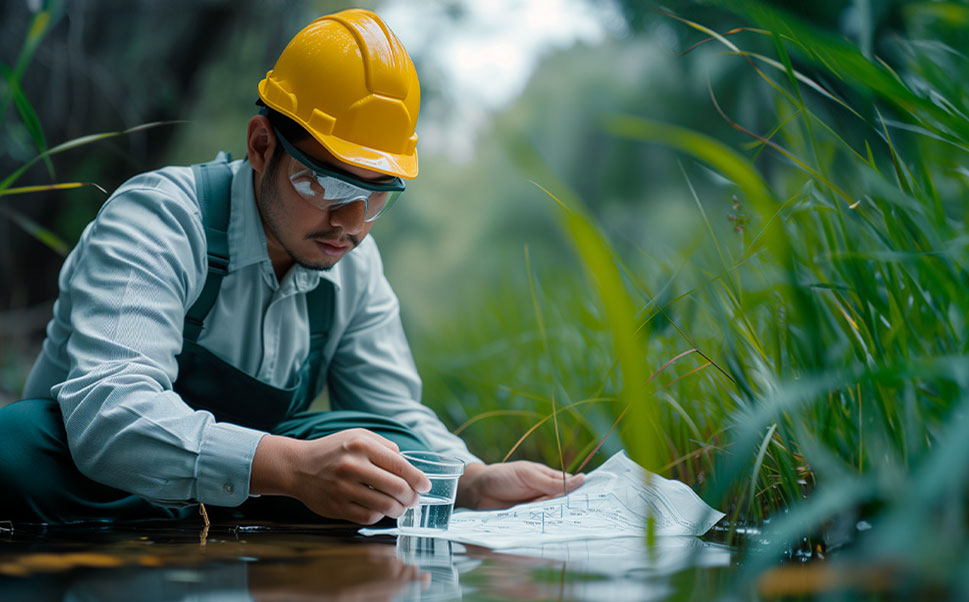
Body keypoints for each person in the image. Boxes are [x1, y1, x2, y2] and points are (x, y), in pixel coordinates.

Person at [0, 8, 583, 525]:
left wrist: (472, 481)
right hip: (100, 485)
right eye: (328, 182)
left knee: (394, 447)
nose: (352, 223)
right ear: (261, 146)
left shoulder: (355, 267)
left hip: (244, 499)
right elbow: (109, 411)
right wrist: (292, 468)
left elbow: (395, 413)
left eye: (378, 194)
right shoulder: (158, 218)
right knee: (16, 445)